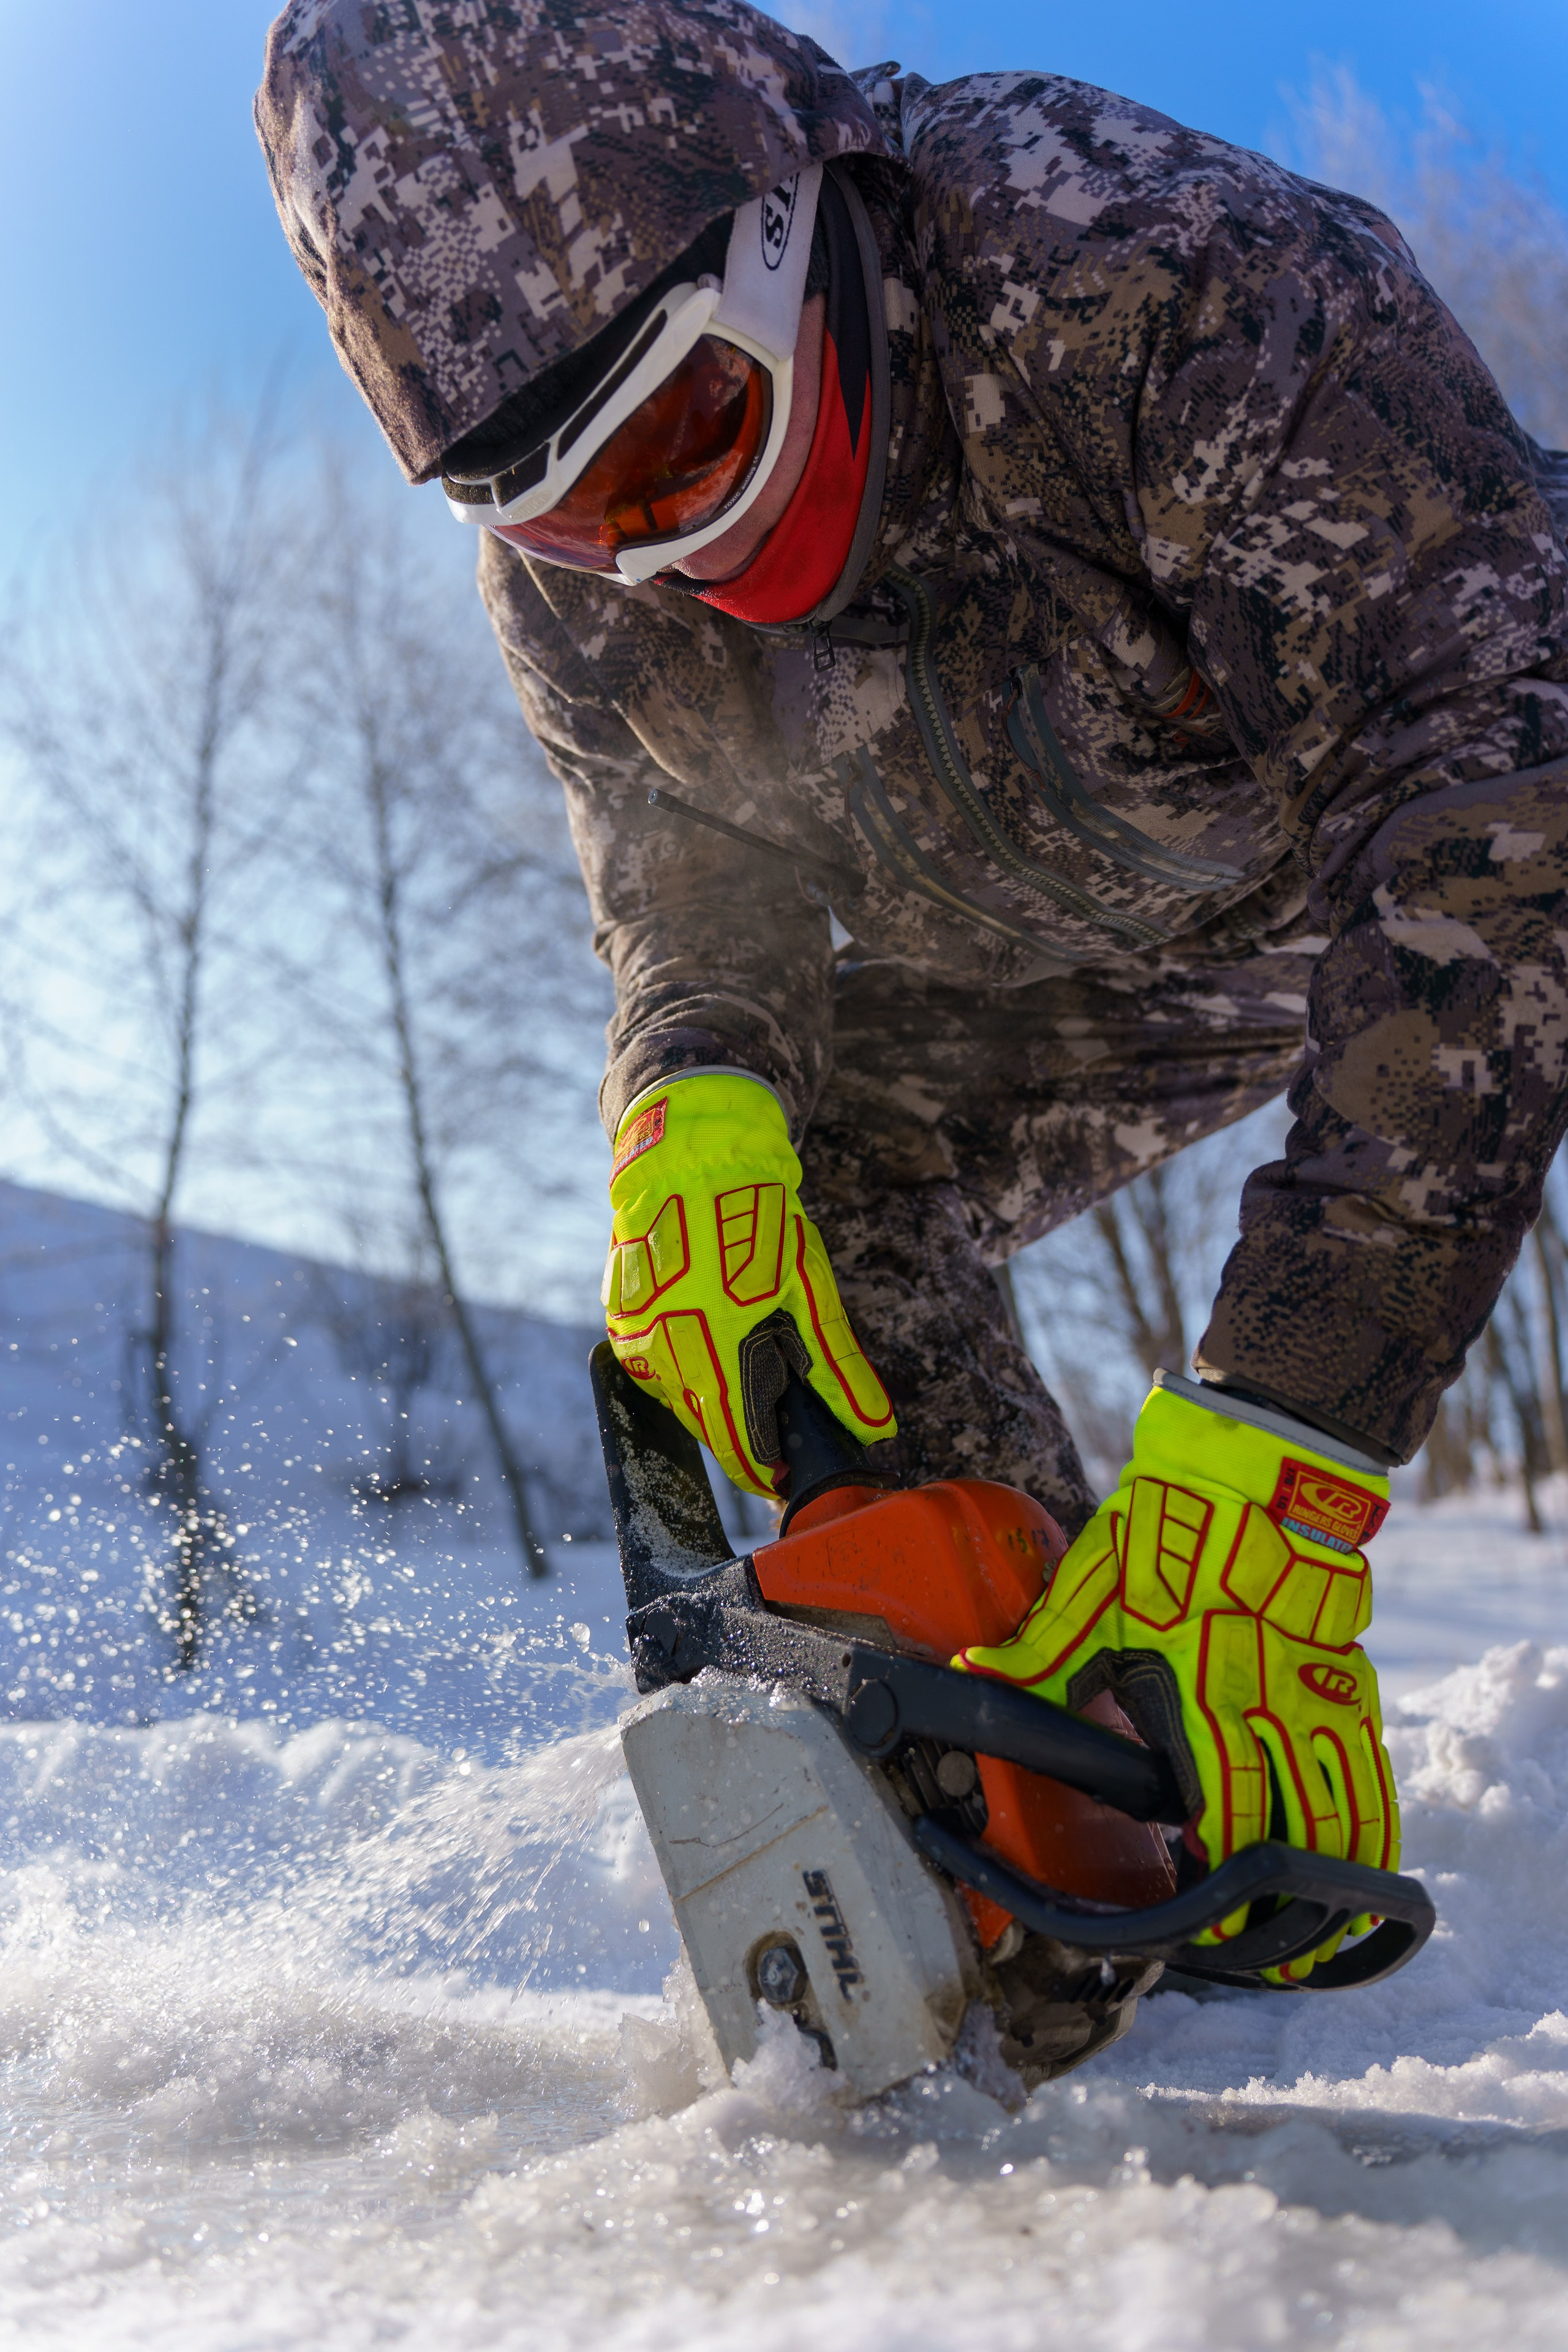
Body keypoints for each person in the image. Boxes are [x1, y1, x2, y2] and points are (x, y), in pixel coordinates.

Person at [258, 1, 1568, 1975]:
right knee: (817, 1206)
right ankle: (1049, 1823)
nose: (661, 559)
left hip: (1449, 783)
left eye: (693, 438)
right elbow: (687, 866)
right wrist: (692, 1079)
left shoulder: (1140, 270)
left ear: (794, 222)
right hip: (1093, 922)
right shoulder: (593, 570)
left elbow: (1500, 770)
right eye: (563, 522)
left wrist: (1290, 1419)